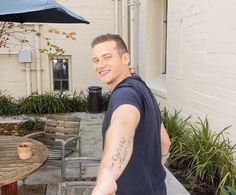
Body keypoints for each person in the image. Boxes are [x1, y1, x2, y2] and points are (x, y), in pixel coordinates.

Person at [91, 33, 171, 195]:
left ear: (125, 58)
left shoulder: (124, 94)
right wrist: (151, 173)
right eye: (96, 60)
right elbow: (165, 142)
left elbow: (123, 124)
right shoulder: (143, 89)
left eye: (107, 57)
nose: (100, 65)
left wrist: (107, 178)